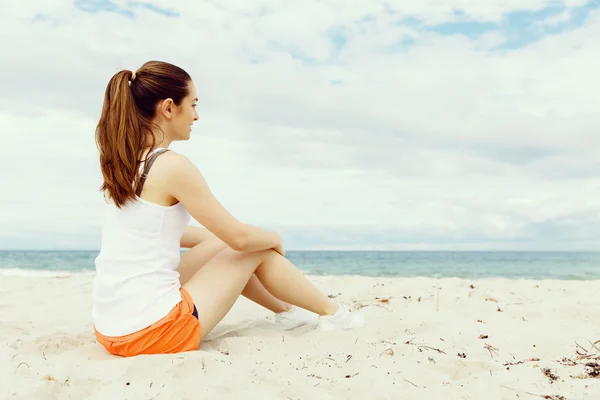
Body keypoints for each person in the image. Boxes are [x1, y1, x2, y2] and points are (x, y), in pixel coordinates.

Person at [91, 60, 365, 357]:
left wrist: (226, 241)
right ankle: (336, 315)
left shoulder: (124, 165)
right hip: (154, 332)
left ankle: (288, 312)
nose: (196, 116)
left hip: (112, 330)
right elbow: (242, 240)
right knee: (251, 246)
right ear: (169, 108)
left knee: (226, 242)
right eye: (193, 104)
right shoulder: (171, 166)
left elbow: (166, 233)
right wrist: (273, 239)